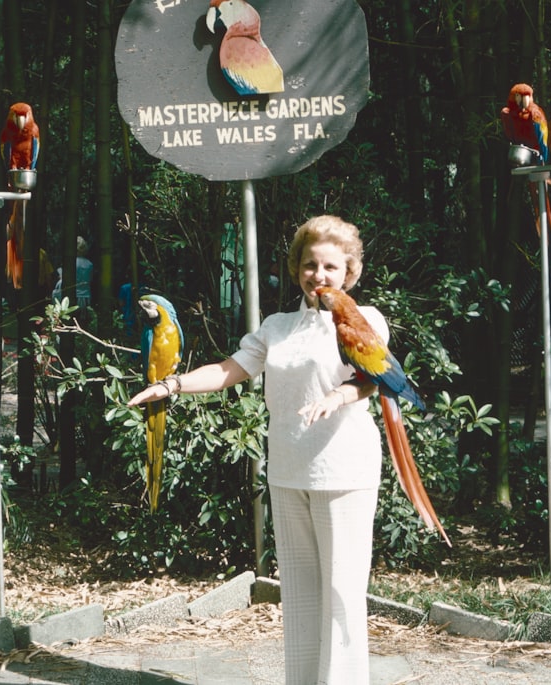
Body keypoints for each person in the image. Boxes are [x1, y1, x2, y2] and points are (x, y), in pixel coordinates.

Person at [128, 215, 386, 684]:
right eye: (310, 264)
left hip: (345, 470)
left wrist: (336, 396)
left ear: (349, 272)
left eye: (330, 265)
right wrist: (170, 386)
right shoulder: (279, 326)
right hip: (289, 470)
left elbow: (369, 383)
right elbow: (231, 369)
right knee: (303, 597)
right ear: (297, 269)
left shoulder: (364, 320)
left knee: (342, 592)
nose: (319, 275)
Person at [52, 236, 94, 310]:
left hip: (69, 297)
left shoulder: (70, 263)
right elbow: (90, 279)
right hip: (86, 297)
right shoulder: (89, 264)